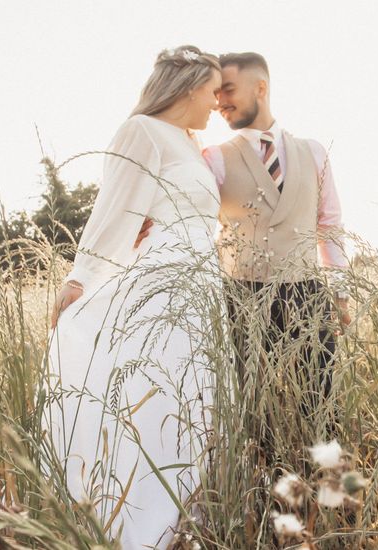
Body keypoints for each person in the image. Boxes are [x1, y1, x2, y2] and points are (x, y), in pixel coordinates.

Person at [46, 45, 222, 549]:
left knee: (194, 407)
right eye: (212, 90)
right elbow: (117, 208)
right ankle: (135, 530)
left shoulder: (190, 141)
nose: (216, 102)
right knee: (153, 403)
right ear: (189, 87)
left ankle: (181, 526)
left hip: (200, 283)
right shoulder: (142, 131)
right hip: (161, 284)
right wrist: (82, 278)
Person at [136, 51, 350, 461]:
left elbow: (330, 225)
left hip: (309, 295)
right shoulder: (213, 158)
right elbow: (185, 207)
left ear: (261, 88)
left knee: (323, 409)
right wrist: (144, 220)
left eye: (227, 90)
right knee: (256, 419)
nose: (219, 102)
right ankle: (266, 504)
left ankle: (333, 503)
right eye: (215, 93)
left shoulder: (314, 152)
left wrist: (339, 292)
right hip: (242, 300)